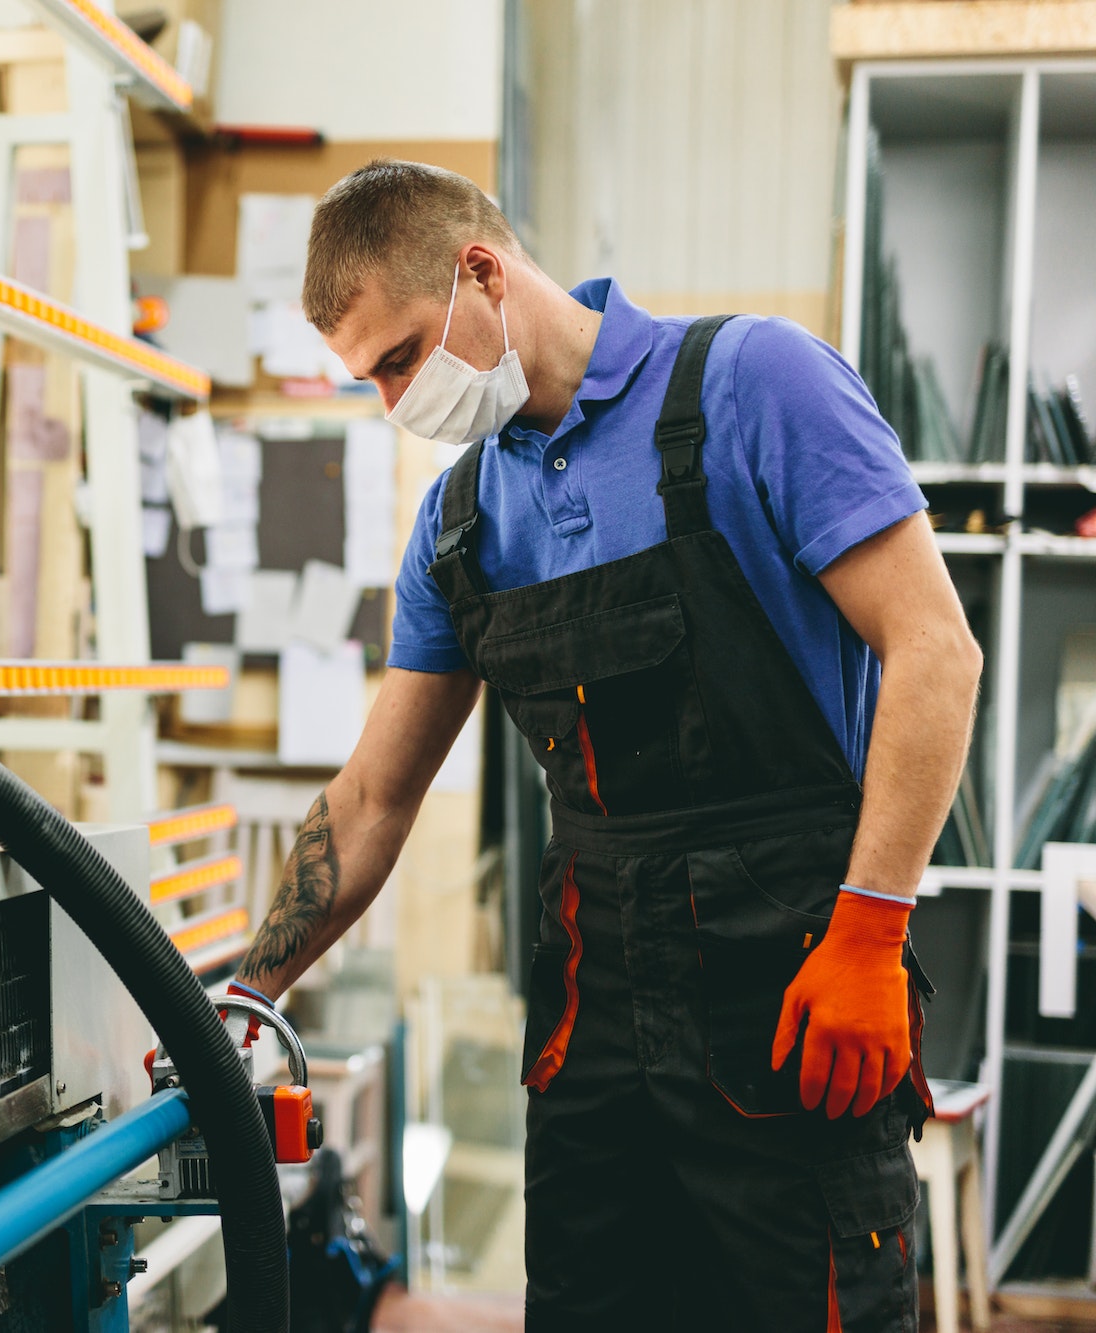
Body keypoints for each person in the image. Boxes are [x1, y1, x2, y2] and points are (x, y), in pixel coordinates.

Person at [226, 160, 981, 1332]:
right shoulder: (460, 523)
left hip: (791, 1002)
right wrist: (245, 991)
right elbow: (375, 795)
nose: (392, 403)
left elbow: (934, 651)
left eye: (399, 357)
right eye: (367, 378)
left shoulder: (751, 384)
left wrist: (870, 930)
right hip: (592, 1040)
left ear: (480, 271)